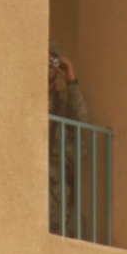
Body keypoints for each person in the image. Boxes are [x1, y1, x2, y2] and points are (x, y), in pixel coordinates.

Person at [48, 41, 89, 236]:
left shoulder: (62, 99)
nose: (49, 68)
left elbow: (81, 117)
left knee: (56, 227)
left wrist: (71, 80)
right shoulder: (28, 94)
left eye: (53, 63)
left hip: (57, 172)